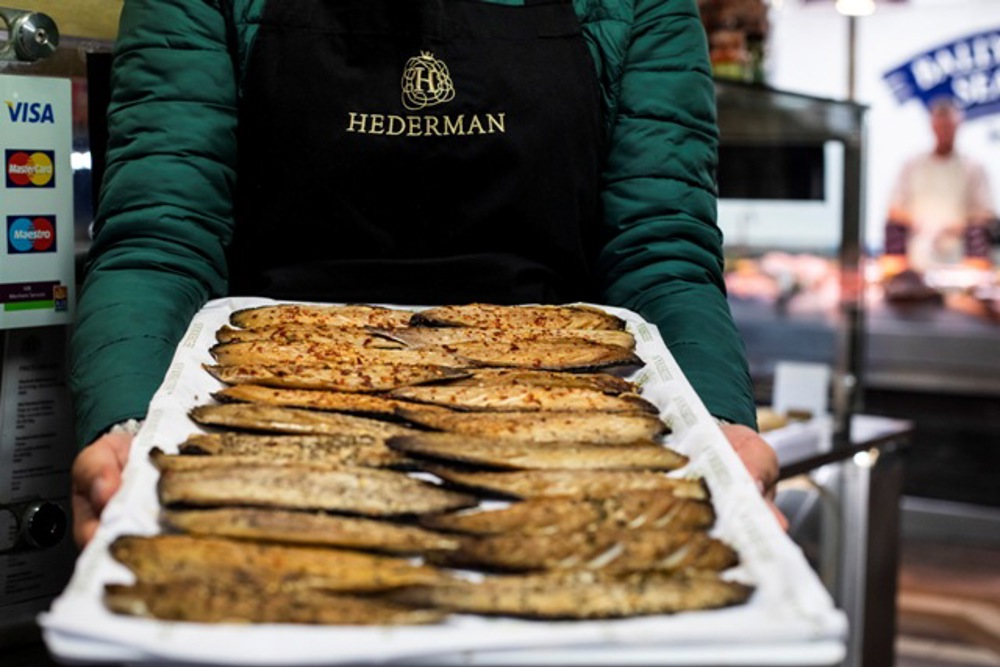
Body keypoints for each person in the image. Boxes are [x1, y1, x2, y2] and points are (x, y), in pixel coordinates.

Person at [70, 0, 784, 547]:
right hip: (267, 433)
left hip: (555, 445)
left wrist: (714, 422)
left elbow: (658, 251)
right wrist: (130, 418)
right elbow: (161, 238)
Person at [882, 97, 996, 276]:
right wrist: (922, 225)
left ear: (958, 126)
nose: (944, 132)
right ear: (932, 126)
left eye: (948, 127)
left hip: (962, 257)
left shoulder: (974, 168)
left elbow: (985, 214)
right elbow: (894, 210)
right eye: (940, 126)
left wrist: (952, 228)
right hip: (915, 255)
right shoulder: (912, 165)